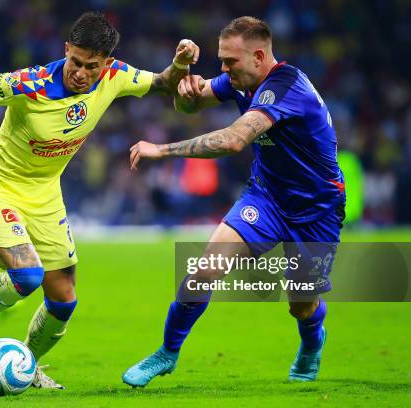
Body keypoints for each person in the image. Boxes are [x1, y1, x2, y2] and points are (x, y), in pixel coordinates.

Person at [0, 12, 199, 389]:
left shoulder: (117, 76)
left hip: (46, 193)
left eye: (91, 67)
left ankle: (26, 364)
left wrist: (181, 63)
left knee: (64, 299)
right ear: (66, 49)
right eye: (76, 62)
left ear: (106, 64)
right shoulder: (29, 83)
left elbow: (166, 83)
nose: (81, 73)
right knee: (27, 276)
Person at [123, 16, 345, 387]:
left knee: (300, 304)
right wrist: (185, 84)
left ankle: (312, 340)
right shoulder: (241, 80)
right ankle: (167, 352)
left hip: (316, 208)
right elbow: (188, 108)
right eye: (221, 60)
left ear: (259, 56)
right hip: (267, 197)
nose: (223, 69)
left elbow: (233, 141)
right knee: (203, 271)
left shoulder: (286, 87)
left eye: (230, 62)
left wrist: (161, 149)